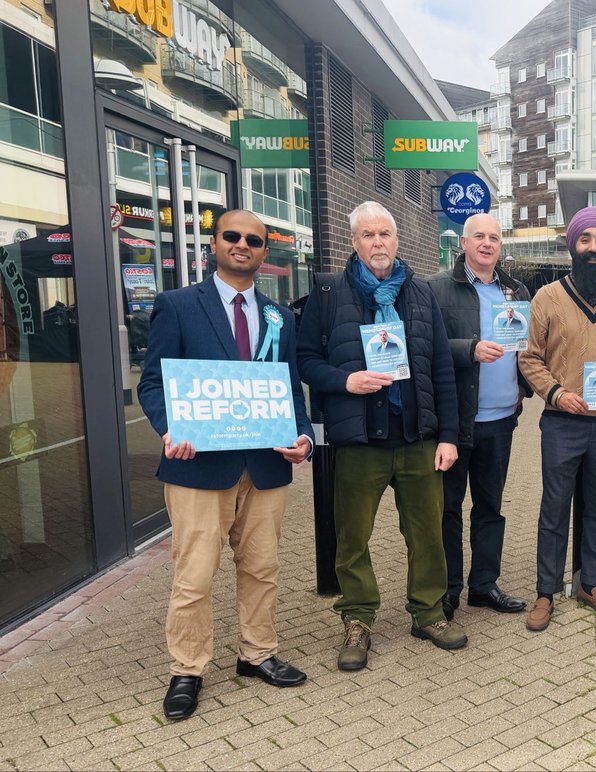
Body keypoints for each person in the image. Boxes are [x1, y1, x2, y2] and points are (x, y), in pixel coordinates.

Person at [137, 209, 313, 721]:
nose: (242, 245)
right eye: (232, 236)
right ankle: (187, 669)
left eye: (253, 240)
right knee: (194, 576)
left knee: (262, 568)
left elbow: (288, 387)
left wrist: (301, 436)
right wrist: (170, 428)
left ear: (264, 250)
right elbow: (152, 384)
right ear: (214, 243)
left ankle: (256, 654)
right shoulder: (177, 306)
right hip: (198, 467)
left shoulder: (280, 316)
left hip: (264, 467)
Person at [298, 201, 464, 670]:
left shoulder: (420, 293)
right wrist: (344, 381)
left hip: (416, 437)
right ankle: (357, 618)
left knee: (428, 534)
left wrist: (447, 436)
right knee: (352, 538)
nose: (377, 243)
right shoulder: (329, 294)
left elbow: (441, 370)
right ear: (353, 242)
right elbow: (305, 359)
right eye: (367, 235)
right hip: (359, 441)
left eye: (384, 234)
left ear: (396, 240)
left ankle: (428, 612)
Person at [519, 206, 596, 631]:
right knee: (554, 508)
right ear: (572, 246)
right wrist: (556, 393)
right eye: (584, 240)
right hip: (562, 422)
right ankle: (545, 591)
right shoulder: (547, 298)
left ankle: (590, 582)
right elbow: (529, 358)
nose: (593, 248)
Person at [428, 213, 530, 622]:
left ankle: (484, 585)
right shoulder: (437, 287)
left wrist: (526, 382)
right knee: (447, 508)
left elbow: (526, 345)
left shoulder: (515, 289)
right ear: (464, 244)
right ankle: (449, 590)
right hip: (455, 422)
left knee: (490, 506)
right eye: (479, 237)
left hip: (502, 419)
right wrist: (469, 348)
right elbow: (426, 346)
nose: (487, 244)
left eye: (494, 238)